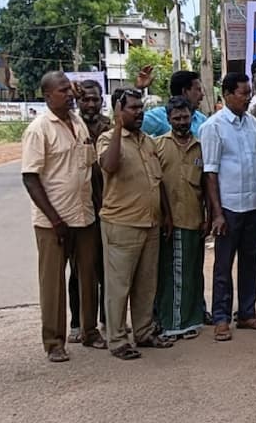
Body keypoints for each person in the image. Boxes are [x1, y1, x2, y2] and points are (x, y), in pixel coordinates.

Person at [21, 72, 107, 362]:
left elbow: (90, 167)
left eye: (69, 90)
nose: (70, 95)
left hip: (84, 214)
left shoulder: (78, 121)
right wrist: (55, 219)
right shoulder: (39, 129)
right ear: (47, 97)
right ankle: (54, 341)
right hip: (52, 221)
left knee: (88, 275)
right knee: (53, 282)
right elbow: (31, 179)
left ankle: (90, 330)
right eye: (63, 91)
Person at [97, 88, 173, 360]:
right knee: (119, 285)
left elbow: (158, 180)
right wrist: (117, 126)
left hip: (150, 223)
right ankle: (117, 340)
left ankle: (143, 332)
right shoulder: (108, 139)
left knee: (146, 284)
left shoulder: (148, 141)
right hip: (122, 223)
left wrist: (167, 214)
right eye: (132, 108)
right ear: (119, 111)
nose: (139, 112)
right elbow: (110, 165)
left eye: (141, 107)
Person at [201, 72, 256, 342]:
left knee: (251, 261)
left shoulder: (252, 124)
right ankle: (221, 317)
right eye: (243, 93)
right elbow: (210, 173)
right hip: (228, 207)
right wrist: (216, 213)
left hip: (252, 204)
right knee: (223, 265)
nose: (248, 98)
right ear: (227, 94)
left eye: (248, 93)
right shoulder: (214, 126)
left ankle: (246, 313)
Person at [154, 96, 207, 339]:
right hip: (170, 221)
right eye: (177, 118)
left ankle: (192, 319)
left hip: (195, 218)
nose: (182, 122)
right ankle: (173, 324)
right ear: (168, 120)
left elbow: (207, 185)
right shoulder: (158, 146)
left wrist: (208, 215)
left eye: (186, 117)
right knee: (174, 274)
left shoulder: (200, 145)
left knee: (193, 271)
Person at [67, 79, 110, 343]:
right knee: (80, 270)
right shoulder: (71, 126)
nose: (90, 104)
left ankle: (107, 319)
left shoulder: (109, 126)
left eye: (95, 99)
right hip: (79, 208)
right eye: (86, 100)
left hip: (107, 207)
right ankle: (77, 323)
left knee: (107, 269)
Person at [142, 70, 208, 137]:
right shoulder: (158, 116)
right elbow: (133, 128)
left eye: (186, 117)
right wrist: (138, 89)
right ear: (185, 91)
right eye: (198, 90)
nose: (202, 94)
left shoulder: (202, 120)